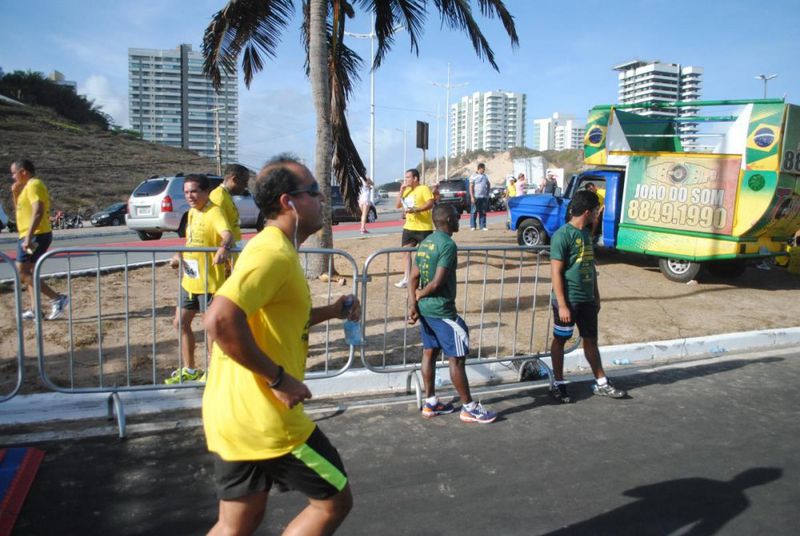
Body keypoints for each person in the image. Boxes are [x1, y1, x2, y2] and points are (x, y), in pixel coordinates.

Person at [202, 154, 356, 535]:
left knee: (237, 523)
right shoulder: (272, 253)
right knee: (334, 500)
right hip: (268, 418)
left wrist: (332, 311)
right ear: (289, 201)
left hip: (233, 413)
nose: (322, 199)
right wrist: (278, 379)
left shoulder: (277, 249)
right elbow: (219, 319)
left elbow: (269, 317)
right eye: (315, 192)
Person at [408, 204, 497, 423]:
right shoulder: (447, 245)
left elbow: (412, 278)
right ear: (448, 220)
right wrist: (418, 297)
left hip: (426, 311)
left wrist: (413, 304)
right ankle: (468, 407)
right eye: (457, 217)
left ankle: (430, 403)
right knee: (456, 358)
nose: (459, 219)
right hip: (442, 312)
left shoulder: (426, 242)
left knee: (429, 352)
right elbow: (437, 283)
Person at [549, 189, 627, 403]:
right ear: (586, 212)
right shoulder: (562, 235)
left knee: (591, 340)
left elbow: (590, 268)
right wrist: (563, 305)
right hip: (569, 299)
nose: (596, 215)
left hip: (587, 300)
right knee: (561, 340)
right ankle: (558, 382)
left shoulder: (585, 234)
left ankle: (601, 382)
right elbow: (556, 271)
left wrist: (597, 295)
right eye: (594, 211)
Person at [166, 174, 233, 384]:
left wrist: (223, 248)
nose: (190, 196)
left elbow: (227, 234)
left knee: (210, 327)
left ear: (205, 191)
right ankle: (190, 368)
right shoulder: (192, 213)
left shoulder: (215, 211)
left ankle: (213, 372)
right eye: (186, 192)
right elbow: (191, 241)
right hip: (190, 280)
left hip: (209, 283)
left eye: (194, 191)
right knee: (180, 322)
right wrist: (179, 255)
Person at [10, 159, 68, 321]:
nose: (13, 177)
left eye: (14, 173)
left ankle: (58, 298)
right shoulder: (26, 188)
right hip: (30, 234)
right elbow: (20, 211)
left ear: (23, 172)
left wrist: (29, 236)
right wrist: (15, 193)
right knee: (29, 272)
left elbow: (38, 211)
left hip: (36, 234)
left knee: (21, 272)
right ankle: (36, 310)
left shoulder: (34, 184)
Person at [394, 168, 435, 288]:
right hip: (409, 227)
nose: (405, 180)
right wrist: (401, 191)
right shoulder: (406, 191)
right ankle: (406, 278)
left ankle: (425, 279)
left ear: (415, 178)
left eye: (408, 177)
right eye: (405, 177)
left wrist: (416, 209)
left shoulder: (424, 189)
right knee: (405, 253)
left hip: (424, 228)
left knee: (424, 254)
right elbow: (397, 205)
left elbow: (430, 203)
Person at [210, 163, 250, 258]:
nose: (246, 186)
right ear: (235, 179)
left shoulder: (226, 195)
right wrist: (224, 249)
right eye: (244, 182)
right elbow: (217, 228)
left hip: (232, 250)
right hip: (225, 255)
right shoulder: (219, 197)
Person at [468, 163, 490, 230]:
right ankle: (473, 226)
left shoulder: (485, 176)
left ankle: (482, 226)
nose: (484, 170)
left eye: (484, 169)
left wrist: (487, 194)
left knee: (483, 211)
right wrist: (472, 196)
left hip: (483, 197)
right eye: (483, 169)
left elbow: (488, 184)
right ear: (479, 168)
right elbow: (471, 187)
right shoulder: (473, 176)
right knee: (473, 211)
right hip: (475, 197)